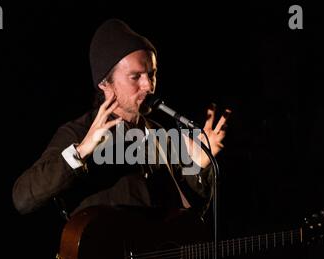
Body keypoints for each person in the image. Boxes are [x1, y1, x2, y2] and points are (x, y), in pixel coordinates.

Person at [12, 18, 230, 223]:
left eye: (151, 74)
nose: (148, 85)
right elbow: (22, 199)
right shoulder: (79, 132)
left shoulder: (160, 136)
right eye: (136, 76)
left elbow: (188, 220)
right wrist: (81, 151)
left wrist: (199, 166)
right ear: (105, 83)